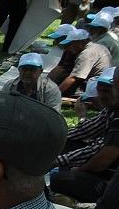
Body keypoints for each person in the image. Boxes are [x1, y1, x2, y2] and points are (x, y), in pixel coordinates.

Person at [49, 68, 119, 202]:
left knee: (58, 177)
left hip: (112, 180)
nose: (102, 97)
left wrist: (67, 164)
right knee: (65, 146)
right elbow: (84, 131)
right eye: (100, 91)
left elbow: (102, 157)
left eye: (108, 91)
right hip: (104, 169)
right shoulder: (110, 111)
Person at [49, 27, 111, 97]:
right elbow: (60, 67)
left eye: (71, 44)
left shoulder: (86, 54)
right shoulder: (97, 47)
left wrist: (54, 95)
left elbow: (74, 78)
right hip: (98, 83)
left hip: (95, 86)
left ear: (81, 42)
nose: (69, 47)